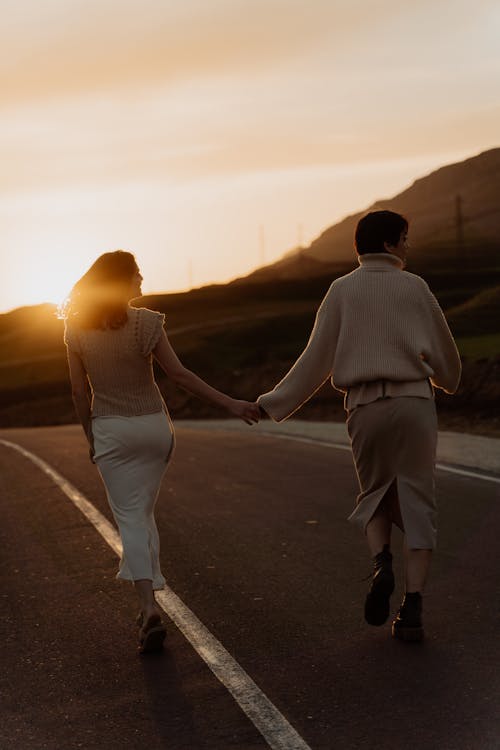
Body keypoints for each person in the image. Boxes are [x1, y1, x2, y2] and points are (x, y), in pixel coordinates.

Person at [257, 210, 461, 642]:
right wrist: (446, 379)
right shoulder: (416, 287)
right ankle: (413, 607)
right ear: (389, 244)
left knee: (376, 492)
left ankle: (382, 561)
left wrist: (270, 404)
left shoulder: (341, 290)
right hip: (413, 402)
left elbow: (314, 360)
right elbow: (446, 359)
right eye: (405, 238)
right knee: (418, 500)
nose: (409, 246)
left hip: (365, 406)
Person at [63, 250, 260, 653]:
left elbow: (79, 391)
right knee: (142, 514)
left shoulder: (76, 328)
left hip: (111, 430)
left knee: (131, 518)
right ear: (121, 280)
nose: (141, 279)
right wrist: (232, 404)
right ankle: (148, 603)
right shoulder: (147, 323)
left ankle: (148, 606)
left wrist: (90, 436)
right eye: (136, 274)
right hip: (154, 428)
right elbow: (179, 375)